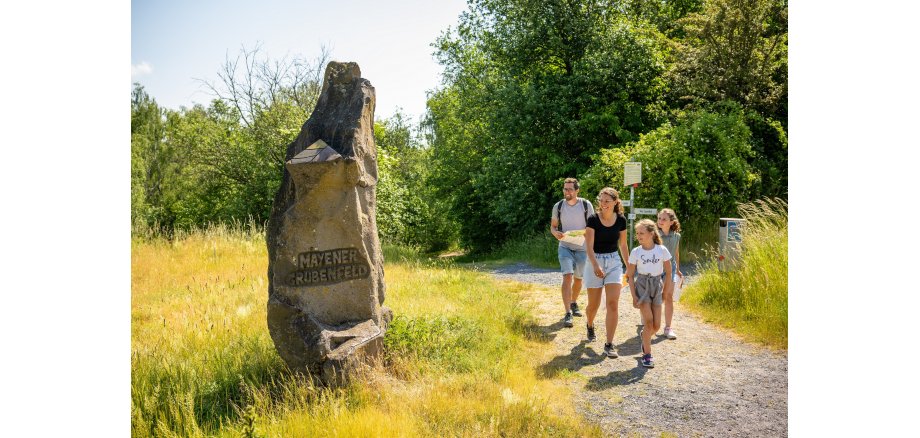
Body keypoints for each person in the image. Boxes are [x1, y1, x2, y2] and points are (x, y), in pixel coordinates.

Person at [583, 187, 629, 358]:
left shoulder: (621, 220)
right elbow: (589, 246)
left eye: (607, 201)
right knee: (593, 306)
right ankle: (589, 324)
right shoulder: (593, 219)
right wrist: (595, 265)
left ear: (615, 202)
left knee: (612, 304)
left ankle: (609, 344)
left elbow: (623, 245)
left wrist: (629, 267)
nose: (603, 204)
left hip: (613, 261)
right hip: (594, 260)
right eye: (601, 200)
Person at [626, 219, 674, 368]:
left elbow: (668, 272)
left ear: (651, 233)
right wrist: (634, 296)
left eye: (642, 233)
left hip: (657, 286)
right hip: (642, 286)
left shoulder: (661, 250)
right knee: (648, 322)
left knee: (656, 326)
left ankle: (645, 336)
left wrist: (665, 291)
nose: (638, 236)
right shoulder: (636, 252)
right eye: (637, 233)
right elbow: (630, 276)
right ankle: (647, 355)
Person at [550, 178, 595, 328]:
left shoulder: (586, 205)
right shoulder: (558, 206)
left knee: (578, 279)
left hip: (582, 248)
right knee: (567, 276)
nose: (567, 192)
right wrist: (555, 233)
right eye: (565, 189)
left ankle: (573, 302)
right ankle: (568, 312)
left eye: (570, 189)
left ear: (577, 191)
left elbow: (592, 226)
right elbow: (553, 227)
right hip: (565, 246)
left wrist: (586, 234)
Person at [657, 208, 683, 340]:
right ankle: (648, 319)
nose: (660, 221)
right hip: (655, 269)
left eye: (664, 219)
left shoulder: (677, 236)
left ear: (671, 222)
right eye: (659, 218)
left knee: (668, 296)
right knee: (655, 296)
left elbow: (676, 253)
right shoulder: (654, 235)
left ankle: (668, 328)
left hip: (670, 269)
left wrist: (677, 269)